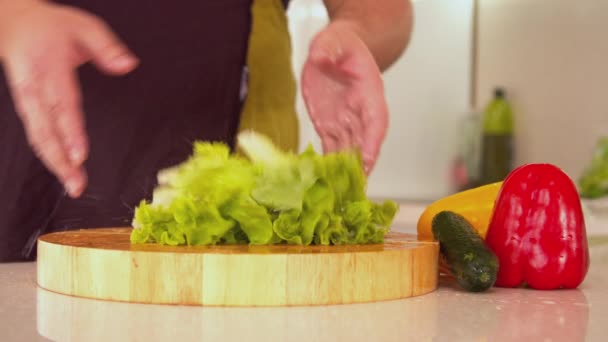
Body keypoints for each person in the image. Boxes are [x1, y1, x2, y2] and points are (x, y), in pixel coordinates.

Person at [0, 0, 413, 261]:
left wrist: (354, 34)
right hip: (23, 141)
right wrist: (13, 16)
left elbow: (384, 8)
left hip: (236, 168)